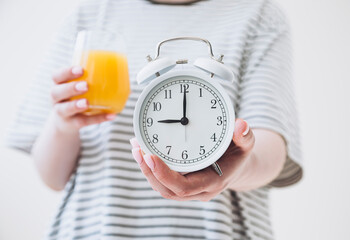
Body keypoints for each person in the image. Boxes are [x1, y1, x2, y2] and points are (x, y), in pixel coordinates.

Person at [6, 0, 303, 239]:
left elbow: (270, 147)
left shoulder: (259, 14)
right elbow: (52, 177)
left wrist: (235, 168)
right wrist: (63, 122)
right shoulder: (90, 15)